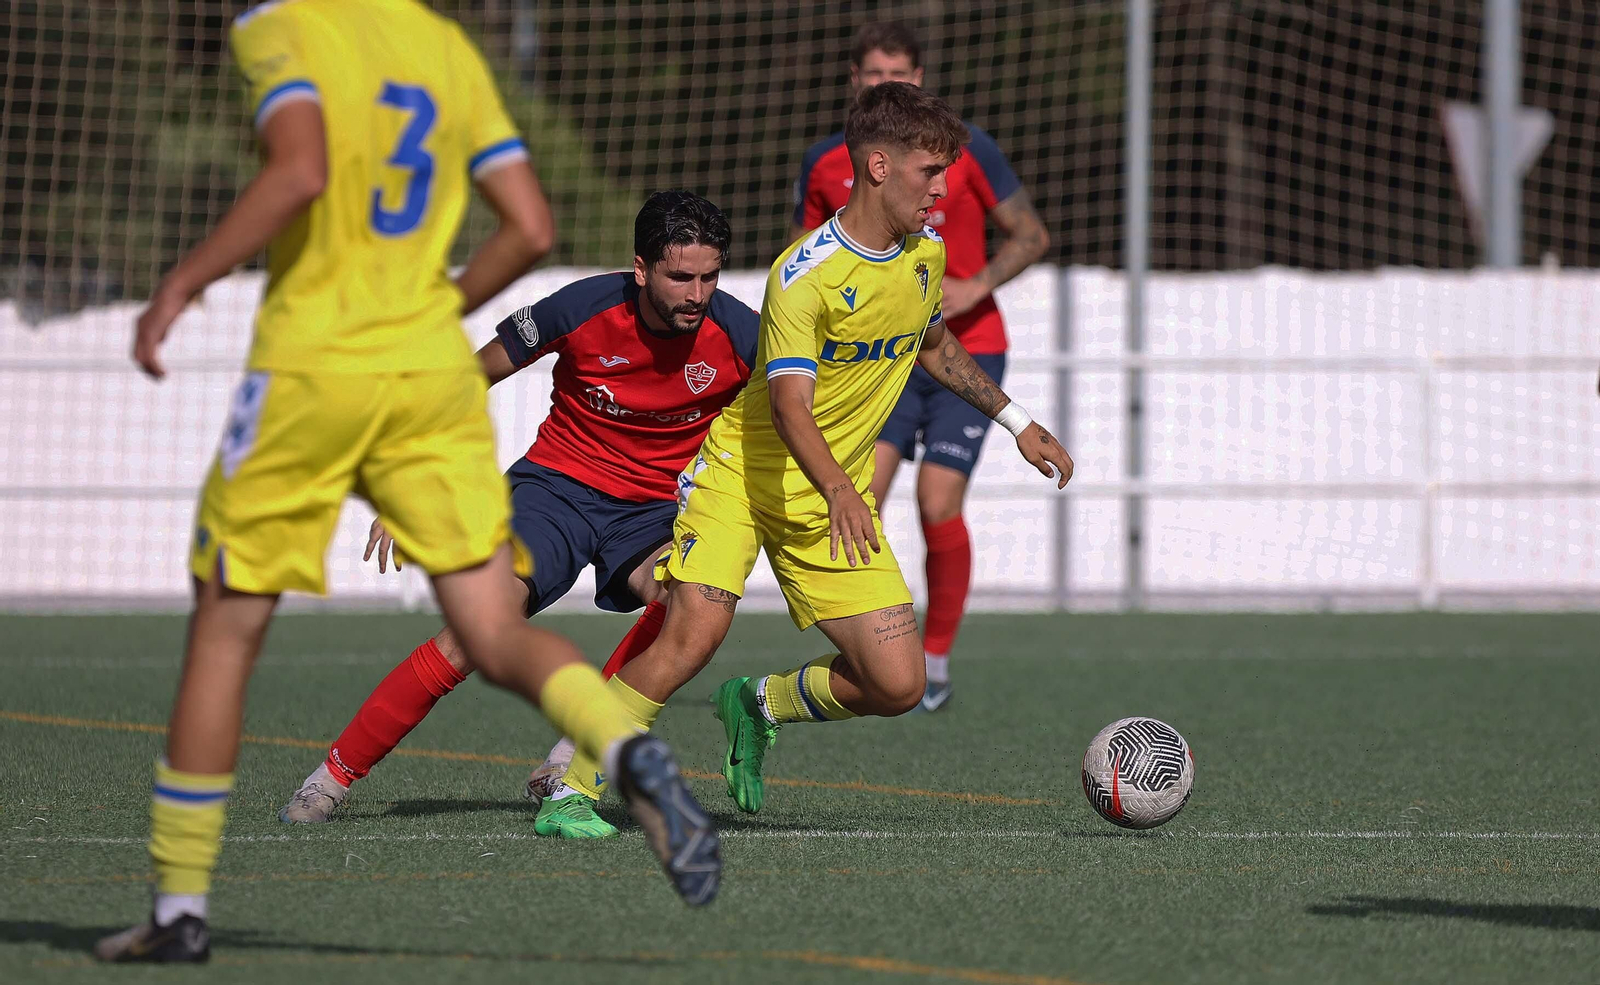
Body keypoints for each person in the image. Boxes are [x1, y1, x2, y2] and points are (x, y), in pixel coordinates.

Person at [95, 4, 719, 962]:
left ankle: (179, 910)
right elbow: (529, 226)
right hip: (444, 401)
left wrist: (183, 281)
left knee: (224, 634)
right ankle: (622, 751)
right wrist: (424, 319)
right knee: (490, 630)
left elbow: (299, 170)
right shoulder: (443, 46)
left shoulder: (280, 26)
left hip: (315, 367)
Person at [537, 81, 1072, 830]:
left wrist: (1018, 421)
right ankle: (574, 790)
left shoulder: (926, 256)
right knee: (693, 631)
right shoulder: (803, 273)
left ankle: (759, 704)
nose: (943, 190)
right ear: (879, 166)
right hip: (745, 477)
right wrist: (844, 490)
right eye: (930, 173)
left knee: (897, 683)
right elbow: (789, 404)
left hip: (828, 494)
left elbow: (935, 346)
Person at [277, 191, 758, 846]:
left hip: (652, 512)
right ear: (641, 267)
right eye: (680, 276)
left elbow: (799, 404)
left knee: (689, 605)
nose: (696, 293)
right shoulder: (580, 307)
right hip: (553, 493)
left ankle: (576, 750)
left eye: (709, 276)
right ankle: (329, 778)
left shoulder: (741, 334)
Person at [791, 22, 1051, 711]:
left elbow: (1031, 234)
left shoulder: (966, 149)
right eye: (876, 74)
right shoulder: (827, 163)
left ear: (921, 75)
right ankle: (867, 654)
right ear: (854, 80)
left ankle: (932, 659)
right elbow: (806, 255)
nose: (889, 85)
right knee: (858, 496)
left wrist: (976, 285)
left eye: (900, 73)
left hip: (964, 344)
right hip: (878, 356)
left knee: (938, 501)